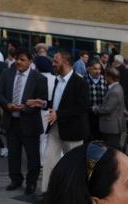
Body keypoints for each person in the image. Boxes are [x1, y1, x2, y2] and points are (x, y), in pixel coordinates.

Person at [0, 48, 48, 195]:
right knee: (14, 154)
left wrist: (25, 108)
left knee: (33, 157)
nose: (19, 62)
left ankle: (31, 183)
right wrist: (7, 105)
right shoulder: (7, 73)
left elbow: (42, 101)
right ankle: (15, 180)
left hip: (29, 123)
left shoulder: (39, 79)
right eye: (17, 59)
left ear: (30, 62)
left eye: (23, 59)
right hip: (11, 122)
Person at [40, 50, 89, 193]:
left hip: (73, 130)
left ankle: (72, 193)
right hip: (55, 127)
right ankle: (47, 192)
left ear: (66, 63)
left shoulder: (80, 83)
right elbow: (58, 103)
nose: (53, 64)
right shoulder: (57, 80)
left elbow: (82, 107)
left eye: (56, 61)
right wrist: (44, 103)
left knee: (73, 165)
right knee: (49, 159)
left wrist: (59, 114)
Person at [93, 68, 125, 148]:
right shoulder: (116, 87)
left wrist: (95, 109)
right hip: (111, 126)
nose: (104, 78)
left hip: (111, 127)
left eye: (106, 76)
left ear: (110, 77)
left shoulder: (115, 90)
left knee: (111, 151)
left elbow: (107, 108)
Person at [33, 55, 56, 167]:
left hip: (41, 110)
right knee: (52, 138)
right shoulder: (55, 78)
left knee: (42, 138)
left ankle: (42, 162)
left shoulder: (36, 78)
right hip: (53, 111)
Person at [85, 61, 108, 141]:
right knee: (88, 137)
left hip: (100, 114)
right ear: (89, 69)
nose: (98, 71)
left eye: (99, 69)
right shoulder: (84, 80)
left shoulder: (104, 80)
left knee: (99, 138)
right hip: (88, 113)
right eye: (95, 69)